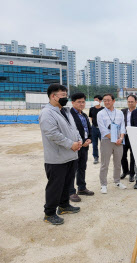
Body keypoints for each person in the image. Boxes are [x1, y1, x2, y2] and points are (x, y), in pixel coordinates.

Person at [39, 84, 81, 225]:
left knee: (67, 183)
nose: (65, 98)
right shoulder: (47, 113)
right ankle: (49, 213)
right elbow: (52, 134)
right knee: (55, 186)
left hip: (70, 155)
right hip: (56, 158)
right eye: (62, 95)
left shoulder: (66, 111)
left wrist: (79, 140)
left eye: (65, 95)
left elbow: (73, 128)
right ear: (53, 96)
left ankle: (64, 206)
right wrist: (71, 144)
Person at [97, 93, 126, 194]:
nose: (106, 102)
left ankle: (117, 181)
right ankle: (103, 185)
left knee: (118, 163)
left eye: (108, 100)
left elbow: (123, 126)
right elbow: (103, 130)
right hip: (106, 141)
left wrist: (121, 138)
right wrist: (114, 138)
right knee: (105, 164)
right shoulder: (100, 114)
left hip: (119, 141)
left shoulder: (120, 113)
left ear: (113, 101)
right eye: (104, 100)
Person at [69, 92, 95, 202]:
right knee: (72, 169)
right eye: (79, 102)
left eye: (83, 102)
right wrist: (81, 141)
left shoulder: (84, 115)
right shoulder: (69, 115)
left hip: (85, 145)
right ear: (72, 102)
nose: (81, 104)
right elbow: (70, 131)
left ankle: (82, 187)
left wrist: (89, 139)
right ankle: (71, 192)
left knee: (82, 167)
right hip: (75, 146)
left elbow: (88, 129)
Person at [121, 95, 137, 182]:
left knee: (132, 156)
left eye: (132, 102)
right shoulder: (122, 111)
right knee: (122, 155)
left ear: (136, 102)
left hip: (134, 136)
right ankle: (125, 171)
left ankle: (132, 174)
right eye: (129, 102)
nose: (130, 103)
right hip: (124, 135)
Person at [89, 95, 104, 164]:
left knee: (103, 144)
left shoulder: (104, 109)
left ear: (100, 101)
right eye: (94, 100)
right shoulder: (91, 109)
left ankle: (104, 157)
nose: (95, 101)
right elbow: (91, 118)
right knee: (94, 144)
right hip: (94, 128)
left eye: (97, 100)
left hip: (102, 129)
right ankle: (95, 157)